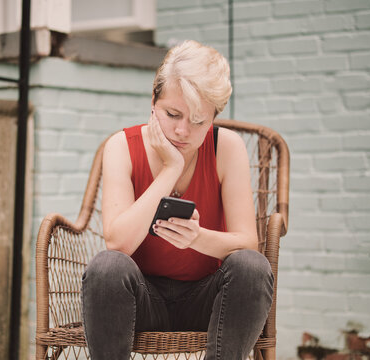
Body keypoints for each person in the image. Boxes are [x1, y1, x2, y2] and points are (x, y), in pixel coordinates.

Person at [81, 40, 274, 360]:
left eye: (199, 121)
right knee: (106, 267)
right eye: (172, 114)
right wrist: (171, 168)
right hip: (141, 299)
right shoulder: (121, 146)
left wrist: (196, 238)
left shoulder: (227, 148)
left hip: (209, 300)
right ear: (153, 102)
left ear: (213, 118)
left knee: (252, 267)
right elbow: (118, 243)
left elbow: (247, 244)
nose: (183, 130)